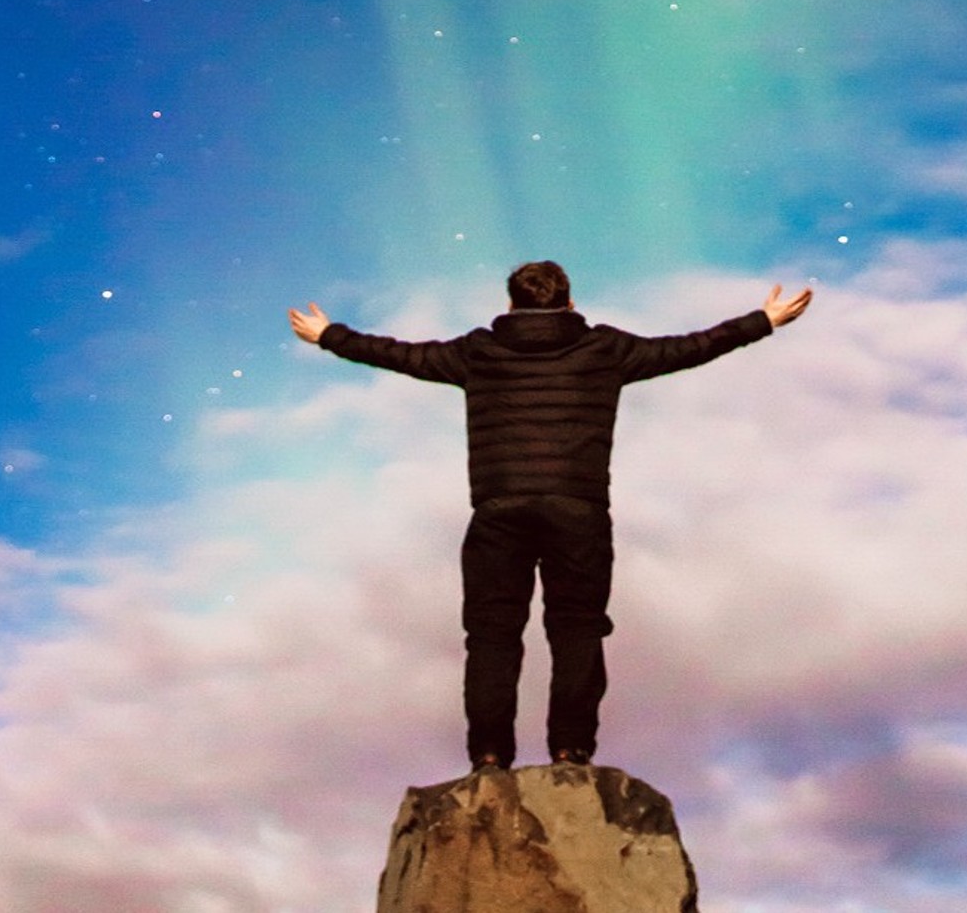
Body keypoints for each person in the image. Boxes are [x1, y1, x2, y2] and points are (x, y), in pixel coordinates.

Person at [289, 257, 811, 772]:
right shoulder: (605, 349)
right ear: (570, 302)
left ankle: (490, 756)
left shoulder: (479, 351)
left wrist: (330, 335)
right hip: (578, 509)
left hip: (499, 509)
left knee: (492, 635)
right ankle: (570, 750)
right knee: (577, 630)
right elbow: (689, 348)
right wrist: (762, 321)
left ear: (510, 304)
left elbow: (402, 355)